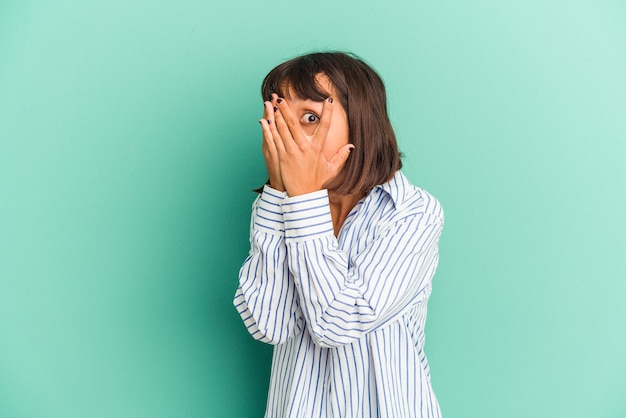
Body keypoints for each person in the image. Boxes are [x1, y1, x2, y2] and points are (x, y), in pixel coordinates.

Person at [233, 52, 444, 418]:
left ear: (361, 125)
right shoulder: (277, 206)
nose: (291, 135)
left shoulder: (413, 212)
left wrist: (301, 202)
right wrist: (284, 195)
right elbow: (269, 324)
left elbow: (338, 322)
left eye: (311, 117)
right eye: (280, 117)